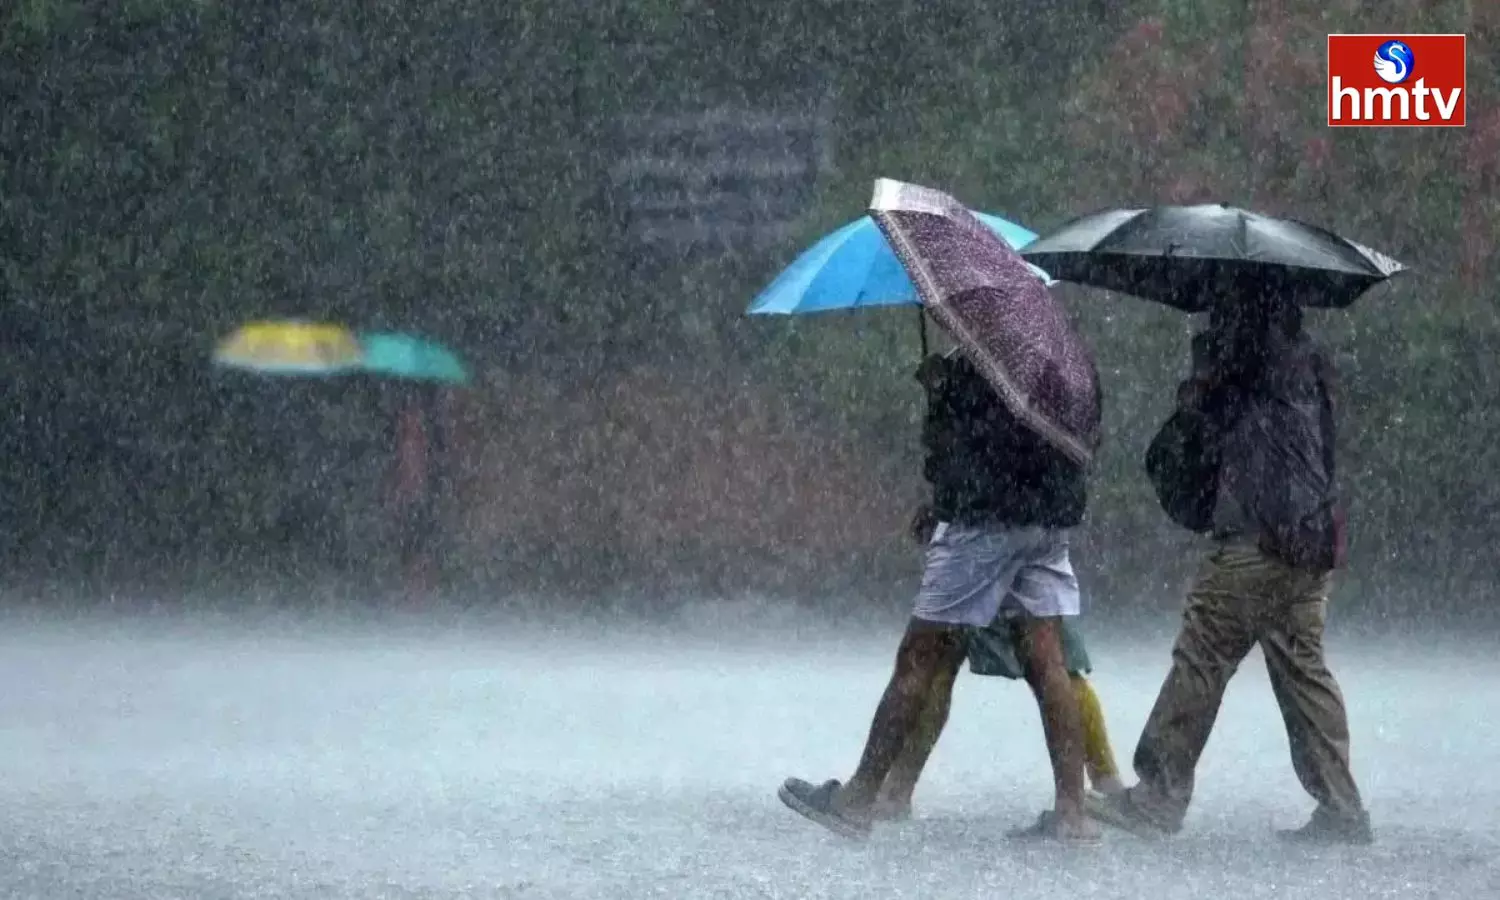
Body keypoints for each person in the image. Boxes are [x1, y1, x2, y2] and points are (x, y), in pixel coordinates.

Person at [778, 348, 1100, 842]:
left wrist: (942, 395)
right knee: (1048, 661)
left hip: (983, 524)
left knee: (920, 657)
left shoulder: (982, 361)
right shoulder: (1065, 361)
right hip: (1049, 523)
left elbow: (957, 454)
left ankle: (859, 797)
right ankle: (1072, 813)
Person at [1087, 295, 1373, 844]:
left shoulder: (1243, 360)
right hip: (1311, 540)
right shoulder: (1309, 363)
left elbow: (1188, 436)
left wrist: (1203, 373)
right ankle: (1341, 805)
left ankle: (1157, 797)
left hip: (1256, 539)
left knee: (1202, 656)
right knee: (1303, 670)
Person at [867, 507, 1125, 823]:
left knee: (938, 661)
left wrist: (948, 501)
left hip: (982, 526)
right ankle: (1099, 790)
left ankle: (894, 791)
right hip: (1036, 522)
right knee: (1056, 666)